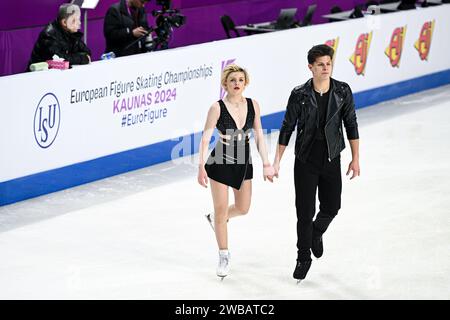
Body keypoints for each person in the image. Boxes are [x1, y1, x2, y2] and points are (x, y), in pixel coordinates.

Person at [272, 44, 360, 281]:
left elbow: (351, 123)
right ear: (310, 67)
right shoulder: (299, 94)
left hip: (332, 157)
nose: (325, 68)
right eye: (320, 64)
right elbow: (287, 127)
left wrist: (356, 158)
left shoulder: (342, 91)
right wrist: (276, 161)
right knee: (304, 212)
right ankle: (303, 256)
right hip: (305, 160)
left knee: (332, 207)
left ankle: (316, 232)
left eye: (328, 64)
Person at [197, 64, 274, 279]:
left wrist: (266, 163)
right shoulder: (216, 108)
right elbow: (205, 137)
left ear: (245, 83)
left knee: (243, 207)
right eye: (232, 80)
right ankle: (223, 254)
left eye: (240, 80)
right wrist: (201, 165)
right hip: (220, 159)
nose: (237, 84)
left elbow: (259, 135)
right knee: (221, 210)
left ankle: (215, 218)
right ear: (225, 84)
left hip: (243, 158)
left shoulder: (253, 105)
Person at [28, 4, 91, 70]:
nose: (79, 23)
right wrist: (81, 58)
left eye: (78, 19)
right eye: (73, 20)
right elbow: (58, 59)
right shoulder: (49, 35)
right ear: (64, 22)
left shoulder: (71, 32)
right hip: (39, 74)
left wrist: (76, 57)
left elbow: (87, 52)